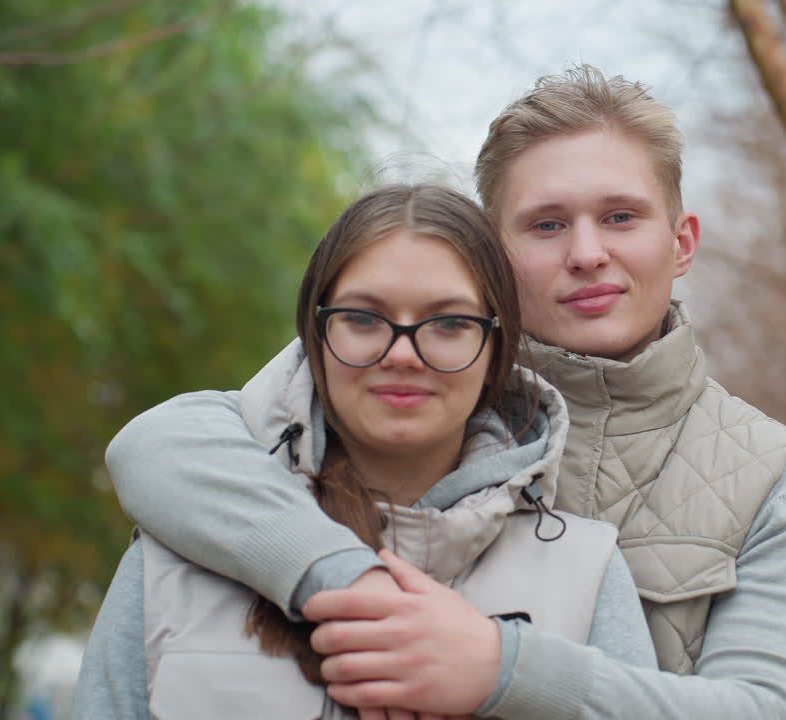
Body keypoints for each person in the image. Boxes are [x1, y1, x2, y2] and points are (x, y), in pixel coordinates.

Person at [103, 65, 786, 719]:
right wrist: (347, 579)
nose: (588, 254)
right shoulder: (382, 389)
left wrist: (502, 669)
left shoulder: (773, 483)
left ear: (681, 242)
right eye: (547, 224)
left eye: (620, 217)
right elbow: (156, 445)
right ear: (492, 250)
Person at [72, 184, 657, 720]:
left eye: (449, 322)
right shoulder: (176, 554)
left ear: (493, 348)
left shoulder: (586, 570)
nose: (402, 353)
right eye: (362, 318)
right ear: (316, 333)